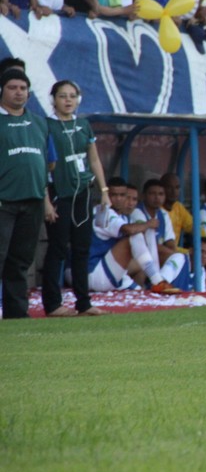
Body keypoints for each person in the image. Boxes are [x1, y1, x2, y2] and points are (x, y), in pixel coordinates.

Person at [40, 80, 111, 317]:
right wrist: (46, 201)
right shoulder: (46, 126)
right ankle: (52, 304)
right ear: (53, 100)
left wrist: (103, 191)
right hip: (59, 193)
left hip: (83, 193)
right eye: (62, 96)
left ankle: (84, 303)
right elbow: (42, 166)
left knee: (82, 248)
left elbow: (94, 159)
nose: (68, 100)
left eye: (72, 96)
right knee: (58, 248)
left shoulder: (83, 126)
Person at [0, 66, 56, 319]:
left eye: (23, 88)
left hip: (32, 200)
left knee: (20, 261)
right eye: (12, 87)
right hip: (4, 201)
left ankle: (16, 314)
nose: (18, 93)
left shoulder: (39, 123)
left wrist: (46, 201)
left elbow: (49, 163)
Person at [88, 177, 184, 294]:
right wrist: (148, 224)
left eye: (122, 195)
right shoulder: (103, 212)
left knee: (141, 293)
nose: (118, 199)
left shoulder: (123, 217)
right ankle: (157, 281)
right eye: (113, 195)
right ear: (106, 195)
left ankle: (159, 281)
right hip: (92, 272)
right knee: (134, 235)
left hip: (105, 271)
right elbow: (128, 230)